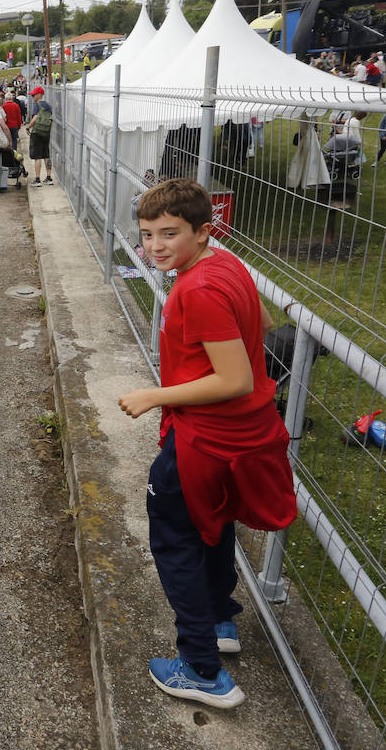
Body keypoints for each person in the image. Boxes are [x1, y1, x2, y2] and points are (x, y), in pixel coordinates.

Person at [117, 178, 296, 710]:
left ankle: (200, 668)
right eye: (147, 235)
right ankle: (220, 620)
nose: (154, 247)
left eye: (169, 234)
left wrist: (155, 394)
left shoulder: (194, 289)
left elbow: (237, 377)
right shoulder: (225, 263)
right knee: (211, 526)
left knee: (175, 540)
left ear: (202, 230)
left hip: (206, 439)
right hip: (243, 434)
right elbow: (262, 322)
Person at [26, 88, 53, 184]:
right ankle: (49, 177)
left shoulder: (37, 105)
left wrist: (28, 127)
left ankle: (37, 179)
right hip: (46, 132)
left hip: (37, 132)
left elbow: (35, 118)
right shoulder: (49, 106)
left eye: (34, 95)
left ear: (39, 94)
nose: (32, 97)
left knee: (37, 156)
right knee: (46, 155)